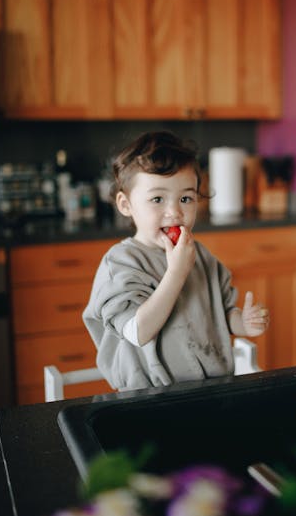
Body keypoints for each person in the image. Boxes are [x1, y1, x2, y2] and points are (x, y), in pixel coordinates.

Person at [83, 131, 269, 392]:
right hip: (146, 399)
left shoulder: (201, 257)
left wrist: (244, 322)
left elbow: (223, 315)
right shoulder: (120, 264)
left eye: (186, 198)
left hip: (210, 391)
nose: (175, 212)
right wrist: (177, 273)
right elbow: (138, 331)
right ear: (126, 205)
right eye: (157, 199)